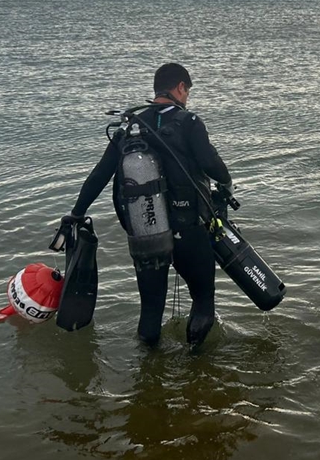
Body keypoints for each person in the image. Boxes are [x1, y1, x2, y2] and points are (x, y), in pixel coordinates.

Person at [65, 63, 231, 347]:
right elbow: (210, 163)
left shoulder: (130, 128)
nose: (187, 97)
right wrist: (227, 184)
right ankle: (197, 366)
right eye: (187, 91)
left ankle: (148, 366)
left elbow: (99, 176)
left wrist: (76, 214)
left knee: (151, 309)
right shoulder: (189, 122)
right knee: (203, 300)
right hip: (187, 229)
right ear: (180, 87)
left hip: (146, 232)